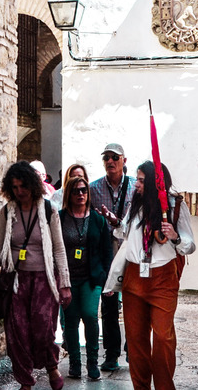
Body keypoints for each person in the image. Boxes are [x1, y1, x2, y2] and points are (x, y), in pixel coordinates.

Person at [0, 161, 72, 390]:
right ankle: (25, 382)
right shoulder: (7, 212)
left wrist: (65, 284)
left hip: (45, 279)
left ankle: (51, 364)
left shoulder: (49, 210)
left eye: (23, 186)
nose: (19, 192)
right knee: (16, 332)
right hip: (16, 279)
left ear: (32, 185)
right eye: (14, 187)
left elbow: (59, 249)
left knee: (43, 329)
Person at [110, 161, 195, 390]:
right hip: (134, 277)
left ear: (154, 183)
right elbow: (125, 233)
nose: (136, 184)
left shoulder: (174, 205)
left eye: (141, 180)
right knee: (136, 343)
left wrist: (175, 236)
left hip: (163, 279)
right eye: (136, 179)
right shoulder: (136, 203)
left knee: (163, 340)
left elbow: (189, 244)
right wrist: (116, 223)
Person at [59, 176, 113, 380]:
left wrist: (107, 279)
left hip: (91, 278)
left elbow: (106, 251)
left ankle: (92, 361)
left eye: (83, 190)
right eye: (76, 191)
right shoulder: (61, 217)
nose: (81, 194)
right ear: (69, 194)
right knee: (71, 320)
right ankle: (74, 362)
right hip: (69, 279)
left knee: (90, 315)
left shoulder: (97, 220)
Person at [89, 143, 136, 371]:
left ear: (123, 160)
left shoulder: (136, 187)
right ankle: (111, 353)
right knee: (108, 303)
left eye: (115, 157)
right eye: (106, 157)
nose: (110, 161)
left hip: (129, 250)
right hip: (106, 250)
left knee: (131, 300)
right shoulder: (93, 188)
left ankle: (132, 348)